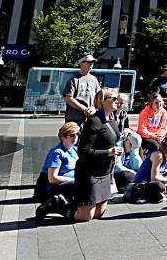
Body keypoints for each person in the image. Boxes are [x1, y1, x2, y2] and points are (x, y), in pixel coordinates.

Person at [72, 87, 122, 222]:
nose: (118, 101)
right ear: (102, 101)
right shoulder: (94, 121)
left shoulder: (112, 119)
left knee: (99, 213)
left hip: (104, 170)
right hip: (89, 172)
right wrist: (109, 152)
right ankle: (58, 205)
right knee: (85, 217)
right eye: (113, 98)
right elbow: (83, 151)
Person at [34, 122, 80, 217]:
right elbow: (52, 178)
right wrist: (74, 180)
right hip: (50, 188)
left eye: (77, 134)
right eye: (72, 135)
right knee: (79, 184)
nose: (75, 137)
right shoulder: (57, 153)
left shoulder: (75, 150)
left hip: (68, 184)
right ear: (63, 137)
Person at [63, 55, 100, 126]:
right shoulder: (74, 80)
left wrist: (93, 108)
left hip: (92, 118)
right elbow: (69, 99)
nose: (91, 64)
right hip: (75, 119)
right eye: (89, 62)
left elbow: (99, 97)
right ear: (81, 63)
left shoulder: (94, 79)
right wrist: (84, 109)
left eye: (93, 62)